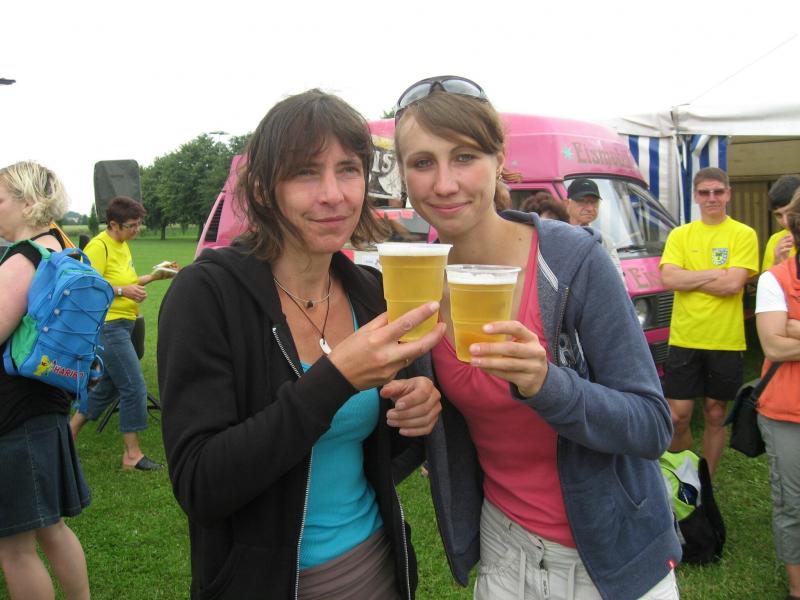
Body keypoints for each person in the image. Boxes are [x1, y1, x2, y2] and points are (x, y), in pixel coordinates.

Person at [393, 75, 680, 600]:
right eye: (423, 162)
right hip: (504, 551)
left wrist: (548, 383)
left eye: (465, 157)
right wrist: (415, 411)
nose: (444, 184)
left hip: (611, 555)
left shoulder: (573, 261)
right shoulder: (415, 280)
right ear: (404, 175)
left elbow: (652, 425)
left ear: (499, 158)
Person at [157, 89, 445, 599]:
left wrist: (413, 415)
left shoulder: (368, 291)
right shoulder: (207, 295)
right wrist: (335, 380)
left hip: (377, 569)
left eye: (348, 169)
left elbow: (373, 453)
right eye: (305, 172)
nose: (332, 194)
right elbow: (201, 485)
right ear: (264, 189)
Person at [0, 161, 91, 600]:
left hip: (15, 409)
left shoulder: (24, 257)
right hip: (45, 398)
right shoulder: (61, 245)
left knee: (14, 546)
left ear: (28, 202)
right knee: (50, 528)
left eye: (0, 199)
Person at [660, 167, 759, 477]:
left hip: (724, 340)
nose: (712, 198)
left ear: (728, 194)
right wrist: (715, 274)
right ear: (696, 196)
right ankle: (684, 478)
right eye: (705, 192)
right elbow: (668, 278)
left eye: (718, 191)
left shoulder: (743, 234)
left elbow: (733, 285)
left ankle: (707, 483)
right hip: (685, 338)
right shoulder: (680, 235)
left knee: (715, 414)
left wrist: (689, 278)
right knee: (678, 417)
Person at [69, 196, 171, 470]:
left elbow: (125, 281)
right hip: (108, 326)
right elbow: (86, 286)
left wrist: (154, 277)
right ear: (113, 224)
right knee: (134, 386)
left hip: (125, 324)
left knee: (109, 386)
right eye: (131, 225)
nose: (137, 229)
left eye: (139, 224)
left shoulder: (122, 245)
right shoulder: (99, 245)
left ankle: (68, 433)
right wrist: (123, 291)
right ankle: (131, 455)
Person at [755, 188, 800, 600]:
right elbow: (773, 345)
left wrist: (792, 325)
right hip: (787, 412)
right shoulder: (775, 278)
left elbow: (784, 334)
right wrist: (782, 330)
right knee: (794, 504)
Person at [762, 174, 800, 272]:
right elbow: (767, 280)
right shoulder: (775, 240)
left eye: (790, 213)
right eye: (779, 215)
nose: (786, 222)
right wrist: (777, 263)